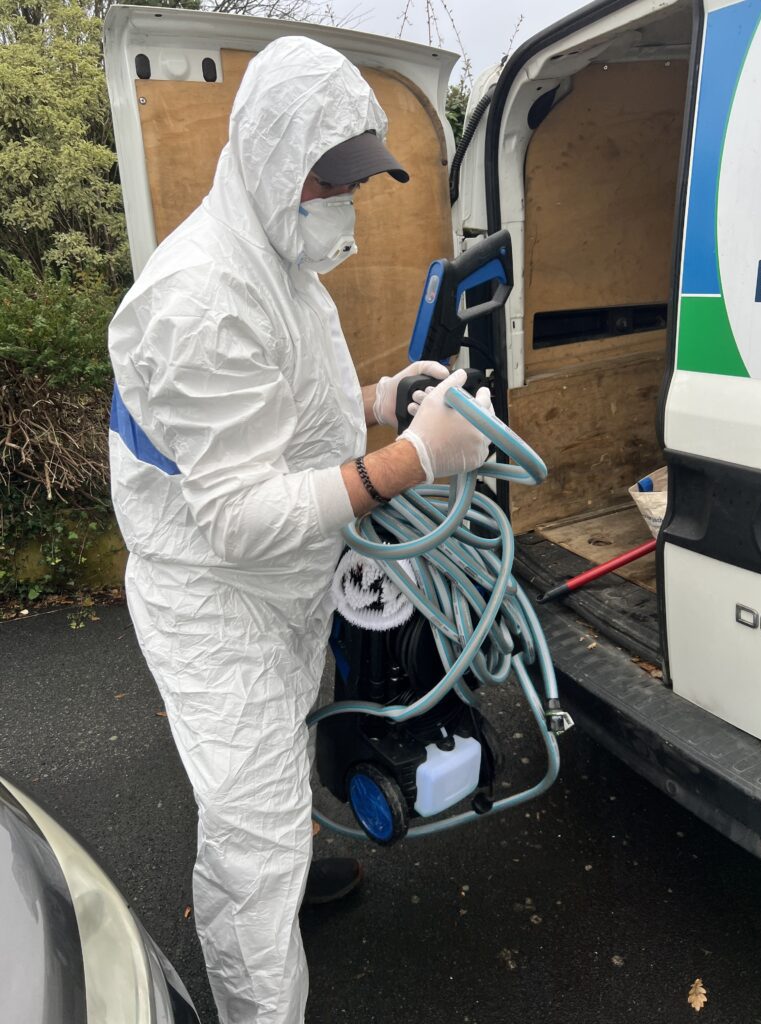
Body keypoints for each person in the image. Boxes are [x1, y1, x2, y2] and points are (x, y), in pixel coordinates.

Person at [108, 35, 492, 1024]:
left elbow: (292, 407)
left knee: (276, 770)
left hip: (280, 585)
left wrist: (382, 396)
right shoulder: (196, 302)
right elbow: (237, 517)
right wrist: (415, 459)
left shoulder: (278, 256)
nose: (349, 202)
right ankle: (258, 993)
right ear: (281, 166)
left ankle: (283, 881)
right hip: (218, 597)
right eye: (337, 182)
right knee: (250, 834)